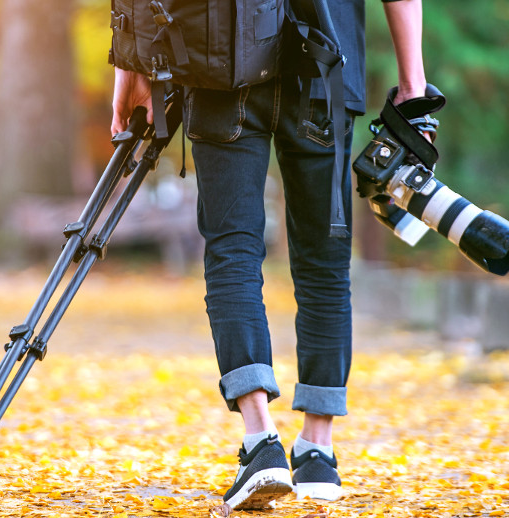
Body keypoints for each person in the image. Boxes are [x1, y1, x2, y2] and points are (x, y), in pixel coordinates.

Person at [111, 0, 429, 510]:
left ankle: (262, 444)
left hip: (220, 60)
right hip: (327, 64)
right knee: (324, 263)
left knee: (233, 250)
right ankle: (318, 451)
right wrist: (413, 87)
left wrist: (133, 61)